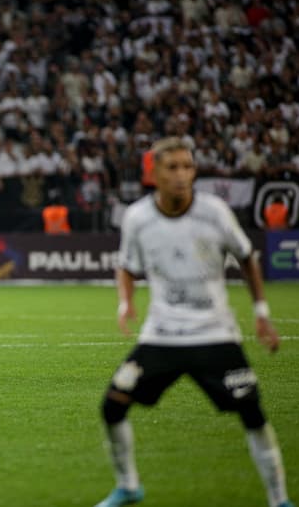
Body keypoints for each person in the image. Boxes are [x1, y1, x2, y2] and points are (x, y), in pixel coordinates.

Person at [95, 137, 293, 507]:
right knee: (113, 404)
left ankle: (279, 499)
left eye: (188, 166)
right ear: (154, 173)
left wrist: (262, 313)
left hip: (215, 335)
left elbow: (247, 257)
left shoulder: (215, 212)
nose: (182, 175)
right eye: (172, 167)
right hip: (162, 336)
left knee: (252, 412)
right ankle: (128, 487)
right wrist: (125, 302)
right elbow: (125, 265)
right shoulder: (138, 218)